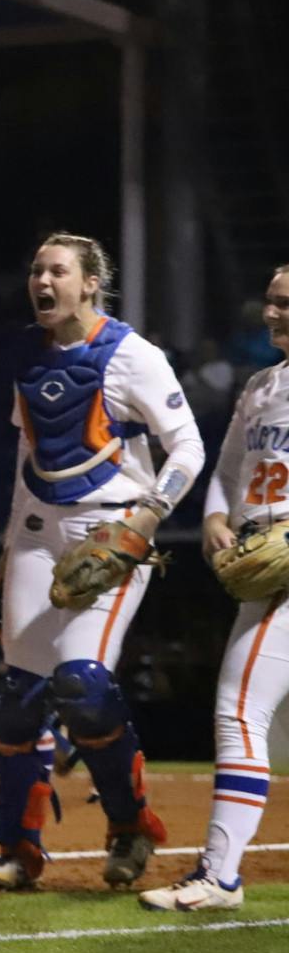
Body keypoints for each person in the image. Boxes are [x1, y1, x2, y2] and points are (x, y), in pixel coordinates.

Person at [0, 233, 204, 892]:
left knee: (81, 684)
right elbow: (30, 457)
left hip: (109, 531)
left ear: (88, 284)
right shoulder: (26, 353)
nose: (41, 281)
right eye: (35, 269)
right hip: (34, 530)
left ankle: (130, 826)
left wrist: (149, 513)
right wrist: (5, 550)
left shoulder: (132, 355)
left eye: (56, 271)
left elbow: (187, 448)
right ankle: (18, 850)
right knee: (19, 701)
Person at [142, 263, 289, 911]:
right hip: (266, 558)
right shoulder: (262, 384)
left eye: (286, 302)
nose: (272, 312)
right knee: (240, 708)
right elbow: (230, 468)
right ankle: (220, 873)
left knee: (239, 710)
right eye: (270, 300)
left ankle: (221, 877)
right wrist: (213, 519)